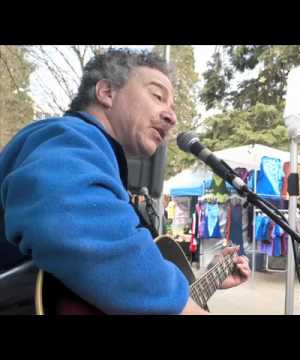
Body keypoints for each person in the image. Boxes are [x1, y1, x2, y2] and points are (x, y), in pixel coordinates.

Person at [0, 49, 251, 315]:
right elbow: (69, 224)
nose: (172, 116)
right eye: (157, 96)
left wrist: (210, 279)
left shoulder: (101, 164)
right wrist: (180, 305)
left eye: (173, 106)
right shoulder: (66, 135)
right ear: (107, 92)